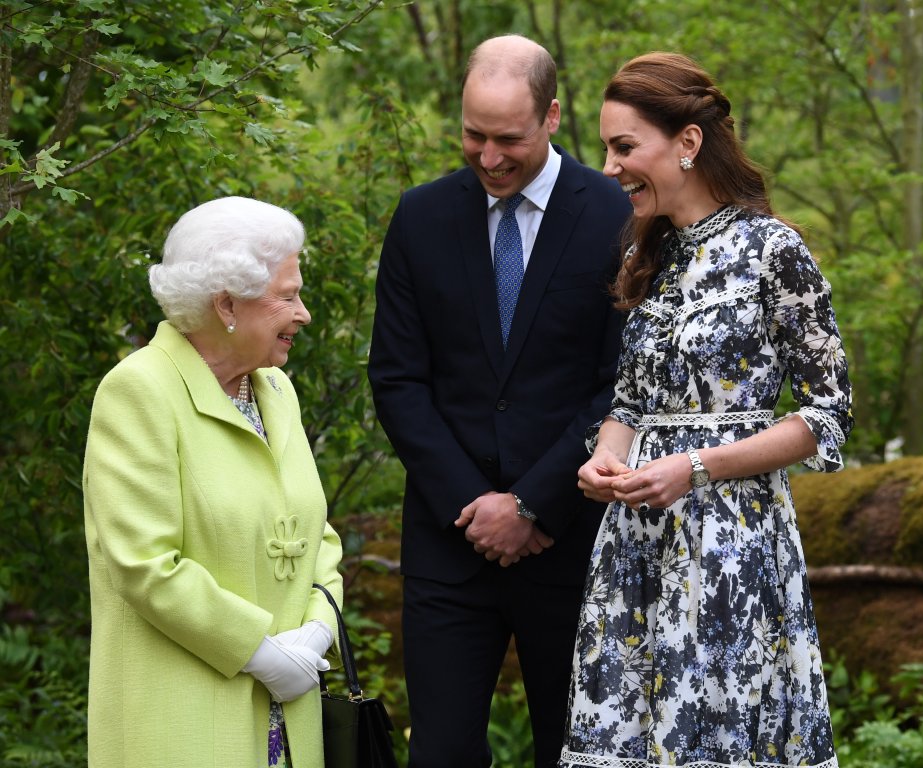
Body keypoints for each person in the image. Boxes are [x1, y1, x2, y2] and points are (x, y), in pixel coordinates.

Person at [558, 52, 853, 768]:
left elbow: (827, 415)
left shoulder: (772, 251)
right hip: (636, 547)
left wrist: (695, 467)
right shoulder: (645, 256)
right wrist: (605, 457)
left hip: (730, 547)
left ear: (687, 143)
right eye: (606, 147)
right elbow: (629, 403)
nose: (609, 165)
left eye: (625, 147)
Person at [367, 34, 632, 768]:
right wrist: (479, 508)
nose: (489, 158)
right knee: (442, 754)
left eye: (508, 138)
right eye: (473, 136)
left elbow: (621, 383)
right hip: (450, 545)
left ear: (551, 116)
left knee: (576, 753)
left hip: (572, 542)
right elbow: (397, 377)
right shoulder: (420, 218)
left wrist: (534, 506)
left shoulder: (618, 212)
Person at [83, 196, 343, 768]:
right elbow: (144, 562)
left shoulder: (275, 390)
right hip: (181, 718)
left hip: (289, 717)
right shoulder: (140, 392)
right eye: (288, 295)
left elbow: (316, 534)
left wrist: (317, 634)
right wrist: (257, 650)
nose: (303, 314)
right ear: (226, 303)